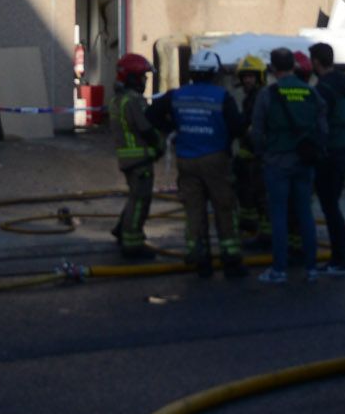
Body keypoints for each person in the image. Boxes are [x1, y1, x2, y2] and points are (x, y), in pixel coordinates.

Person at [152, 49, 246, 279]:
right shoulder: (222, 96)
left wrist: (174, 128)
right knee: (224, 208)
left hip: (186, 159)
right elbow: (237, 127)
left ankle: (199, 257)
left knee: (194, 209)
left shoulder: (176, 95)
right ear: (214, 73)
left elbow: (151, 114)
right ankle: (231, 258)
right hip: (216, 159)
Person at [251, 46, 326, 284]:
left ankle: (279, 269)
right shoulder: (311, 93)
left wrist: (261, 153)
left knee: (279, 215)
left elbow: (257, 131)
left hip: (276, 162)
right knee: (305, 213)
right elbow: (323, 129)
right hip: (304, 162)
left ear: (272, 68)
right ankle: (312, 268)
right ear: (293, 66)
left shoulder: (267, 94)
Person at [310, 40, 345, 276]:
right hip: (344, 152)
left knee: (330, 207)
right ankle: (342, 258)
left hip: (329, 155)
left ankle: (342, 260)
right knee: (333, 205)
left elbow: (317, 126)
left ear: (315, 62)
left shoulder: (322, 89)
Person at [110, 52, 162, 262]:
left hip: (128, 160)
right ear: (131, 78)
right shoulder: (132, 101)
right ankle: (132, 245)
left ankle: (122, 229)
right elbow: (146, 128)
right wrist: (160, 144)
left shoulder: (118, 99)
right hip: (139, 159)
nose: (145, 81)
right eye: (142, 77)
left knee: (134, 198)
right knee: (140, 201)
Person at [231, 53, 270, 245]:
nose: (247, 80)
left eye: (251, 76)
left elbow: (255, 128)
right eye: (245, 76)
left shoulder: (261, 97)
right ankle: (250, 226)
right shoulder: (251, 98)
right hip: (249, 156)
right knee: (247, 193)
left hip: (259, 157)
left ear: (260, 77)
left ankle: (265, 235)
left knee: (261, 197)